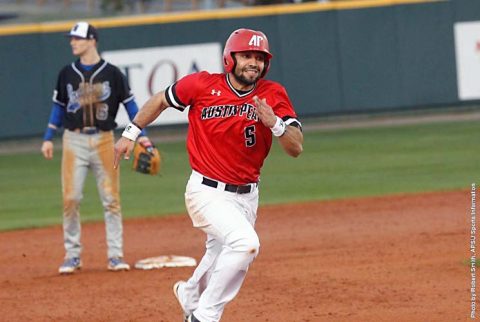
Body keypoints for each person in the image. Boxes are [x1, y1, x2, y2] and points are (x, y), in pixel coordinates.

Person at [114, 28, 303, 322]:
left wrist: (275, 123)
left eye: (259, 58)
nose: (253, 62)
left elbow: (296, 147)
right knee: (245, 244)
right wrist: (131, 132)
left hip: (248, 194)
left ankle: (190, 294)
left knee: (219, 256)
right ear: (230, 58)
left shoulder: (272, 94)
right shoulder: (202, 85)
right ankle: (204, 316)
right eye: (247, 56)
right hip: (206, 191)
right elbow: (161, 100)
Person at [41, 21, 152, 275]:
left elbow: (132, 107)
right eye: (71, 38)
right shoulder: (66, 73)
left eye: (77, 38)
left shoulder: (112, 73)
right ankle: (72, 255)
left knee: (111, 199)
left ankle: (115, 255)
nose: (72, 42)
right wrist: (48, 137)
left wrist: (142, 137)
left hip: (104, 140)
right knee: (71, 199)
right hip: (73, 140)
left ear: (92, 40)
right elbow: (58, 107)